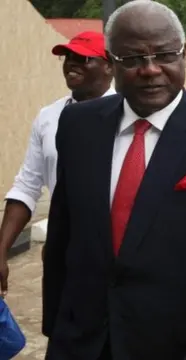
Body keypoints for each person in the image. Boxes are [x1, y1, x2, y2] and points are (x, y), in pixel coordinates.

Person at [42, 1, 186, 359]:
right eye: (132, 59)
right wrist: (56, 330)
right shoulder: (77, 126)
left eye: (164, 55)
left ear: (182, 56)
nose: (150, 70)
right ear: (111, 61)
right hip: (84, 342)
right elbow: (62, 235)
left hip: (183, 346)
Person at [0, 31, 115, 292]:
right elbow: (27, 187)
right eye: (67, 57)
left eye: (83, 58)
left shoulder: (129, 114)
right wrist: (2, 249)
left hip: (116, 255)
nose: (71, 63)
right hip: (63, 253)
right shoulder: (49, 117)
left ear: (110, 66)